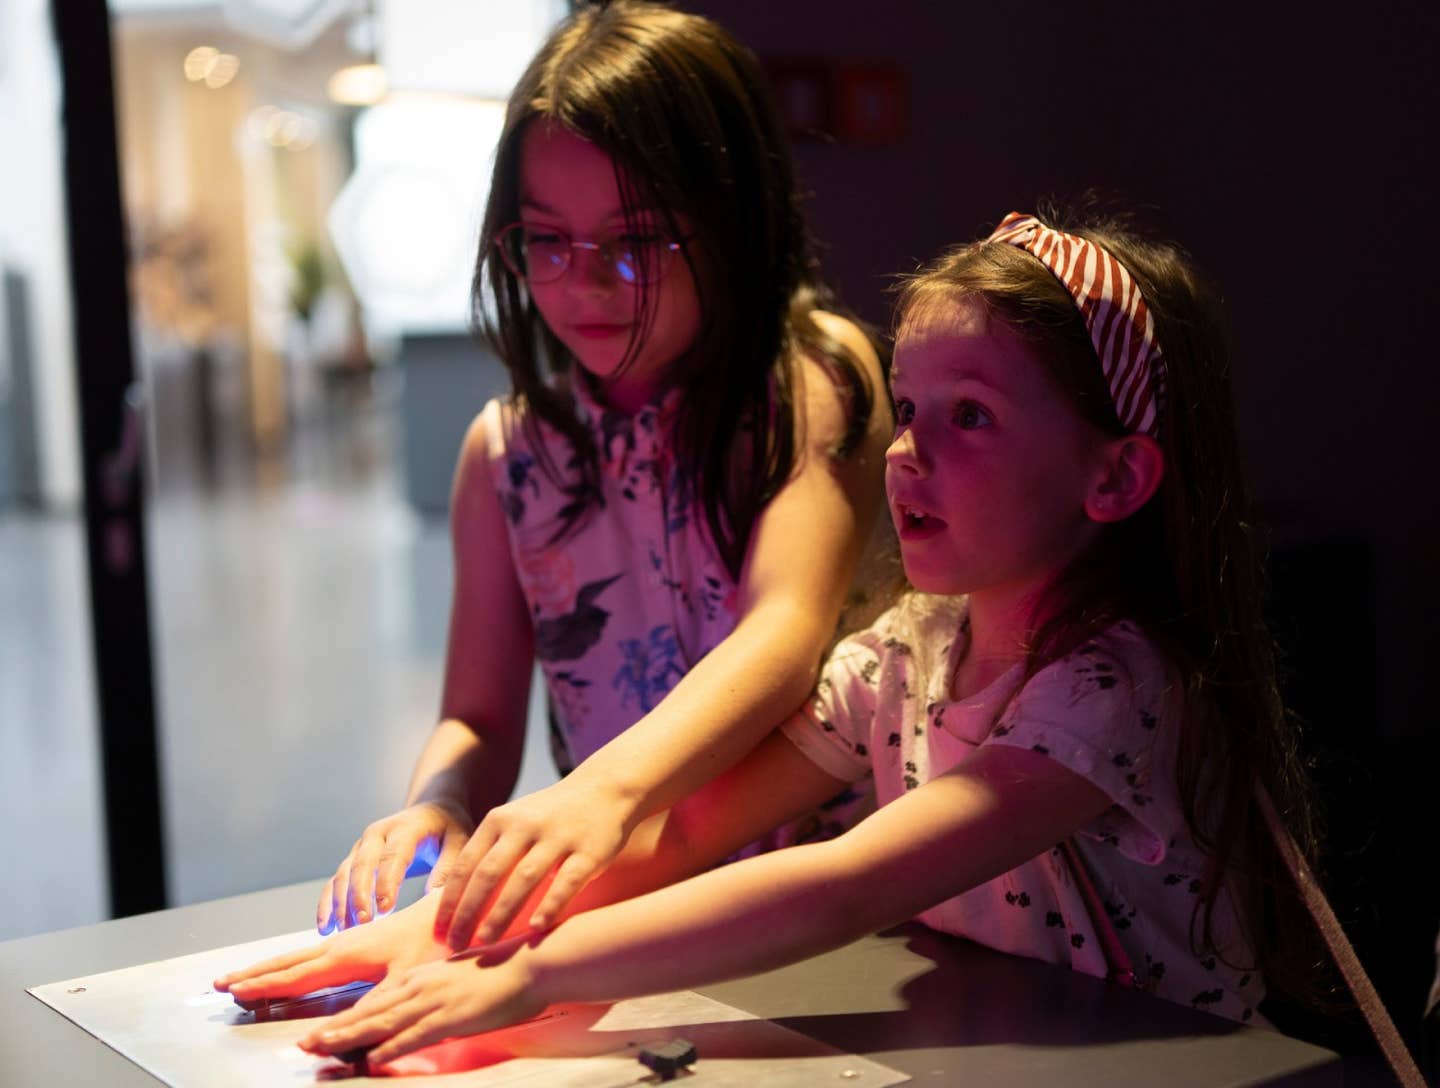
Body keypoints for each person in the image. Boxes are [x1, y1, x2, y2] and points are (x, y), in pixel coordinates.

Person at [248, 207, 1321, 1066]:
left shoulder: (1114, 685)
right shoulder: (909, 649)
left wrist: (534, 973)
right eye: (908, 407)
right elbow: (688, 831)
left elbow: (845, 882)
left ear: (1115, 474)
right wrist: (442, 929)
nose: (905, 453)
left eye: (972, 417)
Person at [311, 0, 890, 940]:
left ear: (732, 224)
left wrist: (604, 793)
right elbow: (480, 719)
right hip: (629, 903)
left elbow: (782, 636)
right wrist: (443, 803)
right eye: (547, 241)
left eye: (636, 244)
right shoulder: (507, 454)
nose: (583, 283)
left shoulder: (813, 379)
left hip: (833, 897)